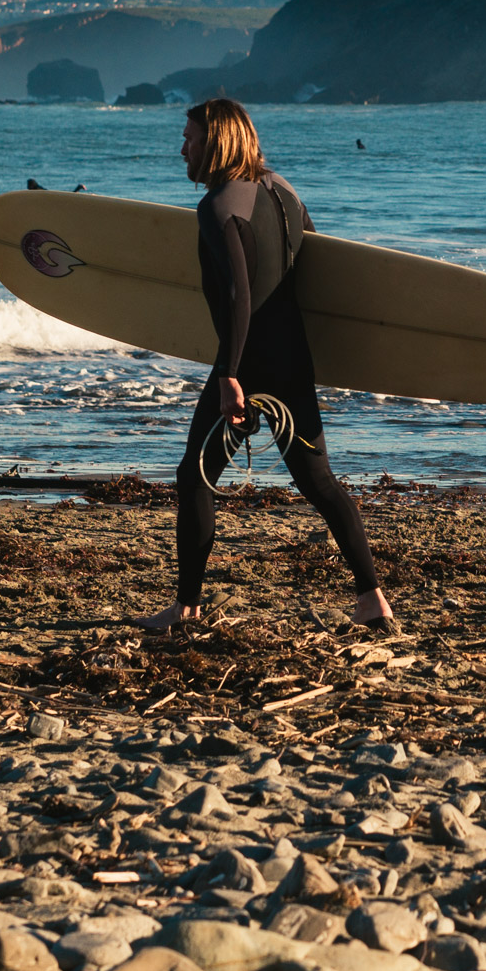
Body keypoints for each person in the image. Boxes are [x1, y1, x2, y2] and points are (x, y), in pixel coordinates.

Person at [139, 99, 392, 634]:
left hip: (246, 363)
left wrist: (230, 374)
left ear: (216, 142)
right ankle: (373, 600)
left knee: (196, 477)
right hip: (292, 359)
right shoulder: (285, 191)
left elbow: (238, 294)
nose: (181, 147)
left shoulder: (216, 207)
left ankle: (186, 609)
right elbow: (313, 271)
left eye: (189, 137)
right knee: (320, 483)